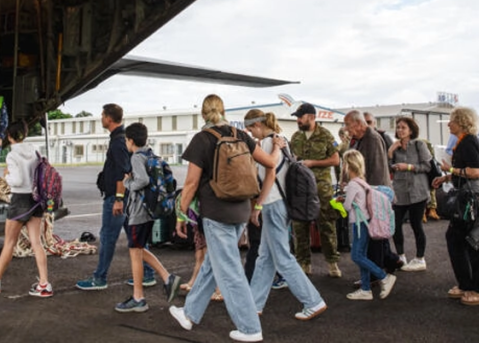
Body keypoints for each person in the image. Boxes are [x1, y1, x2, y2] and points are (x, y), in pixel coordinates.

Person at [169, 94, 280, 342]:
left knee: (229, 271)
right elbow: (270, 163)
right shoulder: (242, 135)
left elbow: (191, 183)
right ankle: (189, 313)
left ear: (203, 114)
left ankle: (250, 328)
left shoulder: (202, 139)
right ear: (223, 111)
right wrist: (277, 147)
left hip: (216, 213)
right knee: (214, 264)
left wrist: (181, 214)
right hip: (240, 211)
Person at [244, 110, 327, 321]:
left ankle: (313, 301)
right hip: (283, 203)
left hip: (272, 204)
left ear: (258, 125)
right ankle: (253, 304)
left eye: (251, 129)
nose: (251, 134)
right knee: (265, 257)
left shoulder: (266, 144)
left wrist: (258, 205)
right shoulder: (281, 141)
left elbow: (269, 175)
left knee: (282, 258)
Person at [77, 104, 153, 290]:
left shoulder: (118, 142)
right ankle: (147, 274)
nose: (101, 118)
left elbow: (122, 173)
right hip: (127, 197)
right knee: (135, 238)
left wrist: (118, 199)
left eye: (103, 115)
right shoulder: (121, 138)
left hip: (117, 198)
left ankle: (99, 278)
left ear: (109, 118)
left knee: (108, 237)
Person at [114, 122, 181, 313]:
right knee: (138, 249)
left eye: (126, 140)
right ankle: (166, 278)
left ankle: (139, 298)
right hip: (149, 210)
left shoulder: (136, 157)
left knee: (135, 251)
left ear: (130, 140)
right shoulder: (150, 154)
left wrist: (128, 183)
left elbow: (142, 180)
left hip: (139, 211)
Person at [0, 122, 51, 297]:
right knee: (36, 243)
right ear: (24, 134)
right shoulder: (35, 151)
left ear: (9, 136)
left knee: (9, 243)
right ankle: (44, 284)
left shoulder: (12, 155)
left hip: (19, 200)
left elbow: (17, 180)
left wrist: (6, 176)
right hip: (36, 199)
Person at [432, 106, 479, 306]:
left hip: (476, 198)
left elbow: (476, 171)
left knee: (475, 241)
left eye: (452, 120)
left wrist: (449, 170)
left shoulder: (468, 142)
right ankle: (467, 284)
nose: (449, 124)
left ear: (461, 122)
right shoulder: (466, 141)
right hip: (470, 195)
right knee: (458, 238)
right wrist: (447, 177)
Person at [343, 110, 399, 296]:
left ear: (359, 124)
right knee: (374, 240)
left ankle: (378, 275)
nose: (346, 129)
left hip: (373, 197)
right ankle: (381, 269)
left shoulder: (372, 139)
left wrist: (364, 195)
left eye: (348, 125)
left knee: (374, 240)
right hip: (370, 195)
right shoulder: (362, 139)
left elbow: (376, 171)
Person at [289, 102, 342, 278]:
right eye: (297, 117)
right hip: (301, 188)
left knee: (326, 225)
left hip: (321, 187)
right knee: (299, 226)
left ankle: (332, 262)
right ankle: (303, 263)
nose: (298, 120)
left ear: (311, 117)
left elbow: (335, 160)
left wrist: (313, 163)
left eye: (300, 117)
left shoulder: (325, 135)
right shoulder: (296, 137)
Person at [340, 149, 390, 300]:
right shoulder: (361, 182)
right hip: (366, 221)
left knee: (356, 255)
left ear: (348, 166)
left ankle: (383, 276)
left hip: (359, 223)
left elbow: (347, 206)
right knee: (362, 254)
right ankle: (365, 289)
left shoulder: (353, 184)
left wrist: (342, 200)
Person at [387, 116, 432, 271]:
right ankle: (401, 256)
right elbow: (388, 168)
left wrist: (409, 167)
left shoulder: (419, 145)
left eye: (403, 127)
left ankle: (420, 258)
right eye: (398, 127)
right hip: (400, 191)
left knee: (416, 224)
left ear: (411, 130)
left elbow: (427, 166)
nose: (400, 130)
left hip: (418, 191)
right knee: (395, 224)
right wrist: (390, 152)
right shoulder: (395, 147)